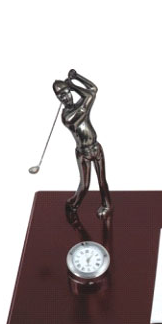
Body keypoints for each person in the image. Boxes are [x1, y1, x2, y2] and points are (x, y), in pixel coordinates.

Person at [53, 70, 112, 218]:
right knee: (85, 185)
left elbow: (93, 89)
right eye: (61, 96)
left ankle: (107, 205)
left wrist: (77, 77)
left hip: (96, 148)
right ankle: (73, 204)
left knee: (102, 181)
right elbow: (89, 96)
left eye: (66, 93)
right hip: (83, 153)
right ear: (58, 98)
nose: (65, 97)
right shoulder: (67, 117)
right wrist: (72, 85)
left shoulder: (80, 104)